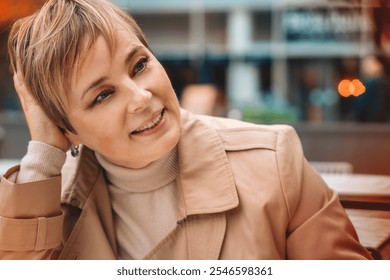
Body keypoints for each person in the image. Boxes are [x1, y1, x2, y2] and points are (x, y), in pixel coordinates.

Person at [0, 0, 372, 260]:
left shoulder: (276, 162)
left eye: (140, 65)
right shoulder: (52, 203)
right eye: (102, 95)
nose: (142, 97)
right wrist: (45, 151)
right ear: (69, 129)